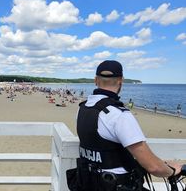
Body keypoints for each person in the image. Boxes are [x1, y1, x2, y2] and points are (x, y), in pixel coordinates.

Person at [75, 60, 182, 191]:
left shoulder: (83, 108)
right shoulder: (118, 115)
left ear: (95, 80)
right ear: (121, 80)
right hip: (117, 185)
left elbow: (104, 148)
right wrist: (172, 171)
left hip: (88, 183)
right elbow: (153, 167)